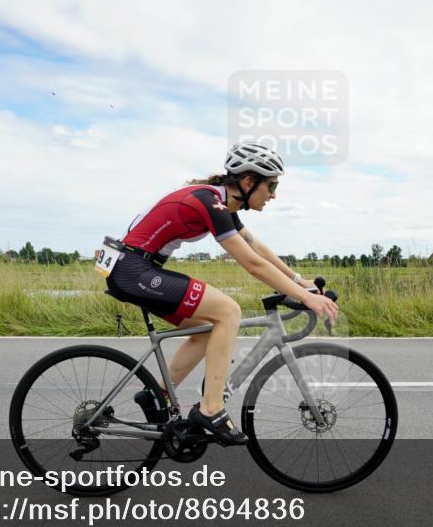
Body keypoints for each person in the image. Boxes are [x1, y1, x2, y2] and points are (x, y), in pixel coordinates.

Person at [104, 142, 340, 445]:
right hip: (134, 270)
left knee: (207, 329)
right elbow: (252, 264)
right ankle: (211, 408)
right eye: (271, 185)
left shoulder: (219, 203)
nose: (274, 194)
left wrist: (299, 280)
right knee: (228, 311)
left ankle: (157, 394)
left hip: (135, 268)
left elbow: (256, 247)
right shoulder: (209, 202)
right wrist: (308, 298)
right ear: (247, 181)